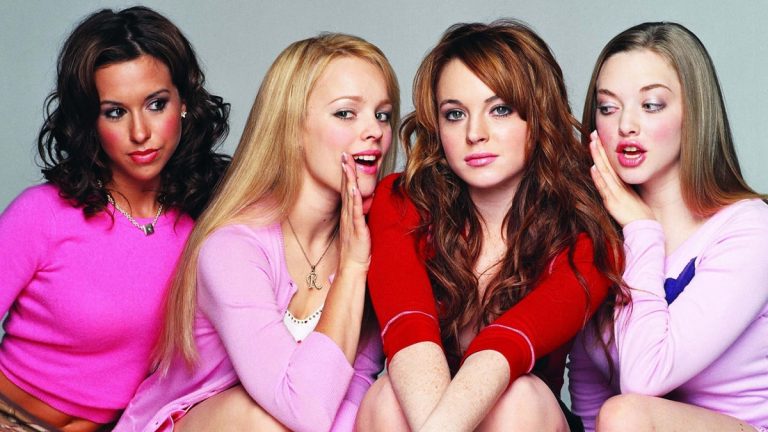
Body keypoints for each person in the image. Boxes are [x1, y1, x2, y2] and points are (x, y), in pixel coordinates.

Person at [113, 33, 399, 432]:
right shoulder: (233, 247)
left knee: (387, 406)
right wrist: (352, 269)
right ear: (292, 128)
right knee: (266, 422)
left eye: (382, 115)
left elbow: (352, 393)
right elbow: (303, 410)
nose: (375, 131)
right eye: (346, 113)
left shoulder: (371, 244)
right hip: (199, 423)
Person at [355, 20, 624, 432]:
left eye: (500, 109)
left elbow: (505, 348)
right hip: (421, 413)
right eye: (455, 114)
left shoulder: (587, 231)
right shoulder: (400, 202)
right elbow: (409, 336)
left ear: (538, 115)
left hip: (528, 418)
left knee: (518, 397)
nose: (475, 133)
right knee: (388, 396)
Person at [0, 6, 229, 431]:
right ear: (90, 120)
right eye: (115, 112)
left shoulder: (207, 226)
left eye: (156, 104)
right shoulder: (42, 214)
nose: (140, 133)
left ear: (184, 102)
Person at [567, 21, 768, 432]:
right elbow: (589, 382)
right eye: (608, 108)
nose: (626, 125)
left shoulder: (749, 230)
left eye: (651, 105)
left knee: (625, 412)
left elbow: (645, 378)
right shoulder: (598, 232)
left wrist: (642, 229)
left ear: (693, 113)